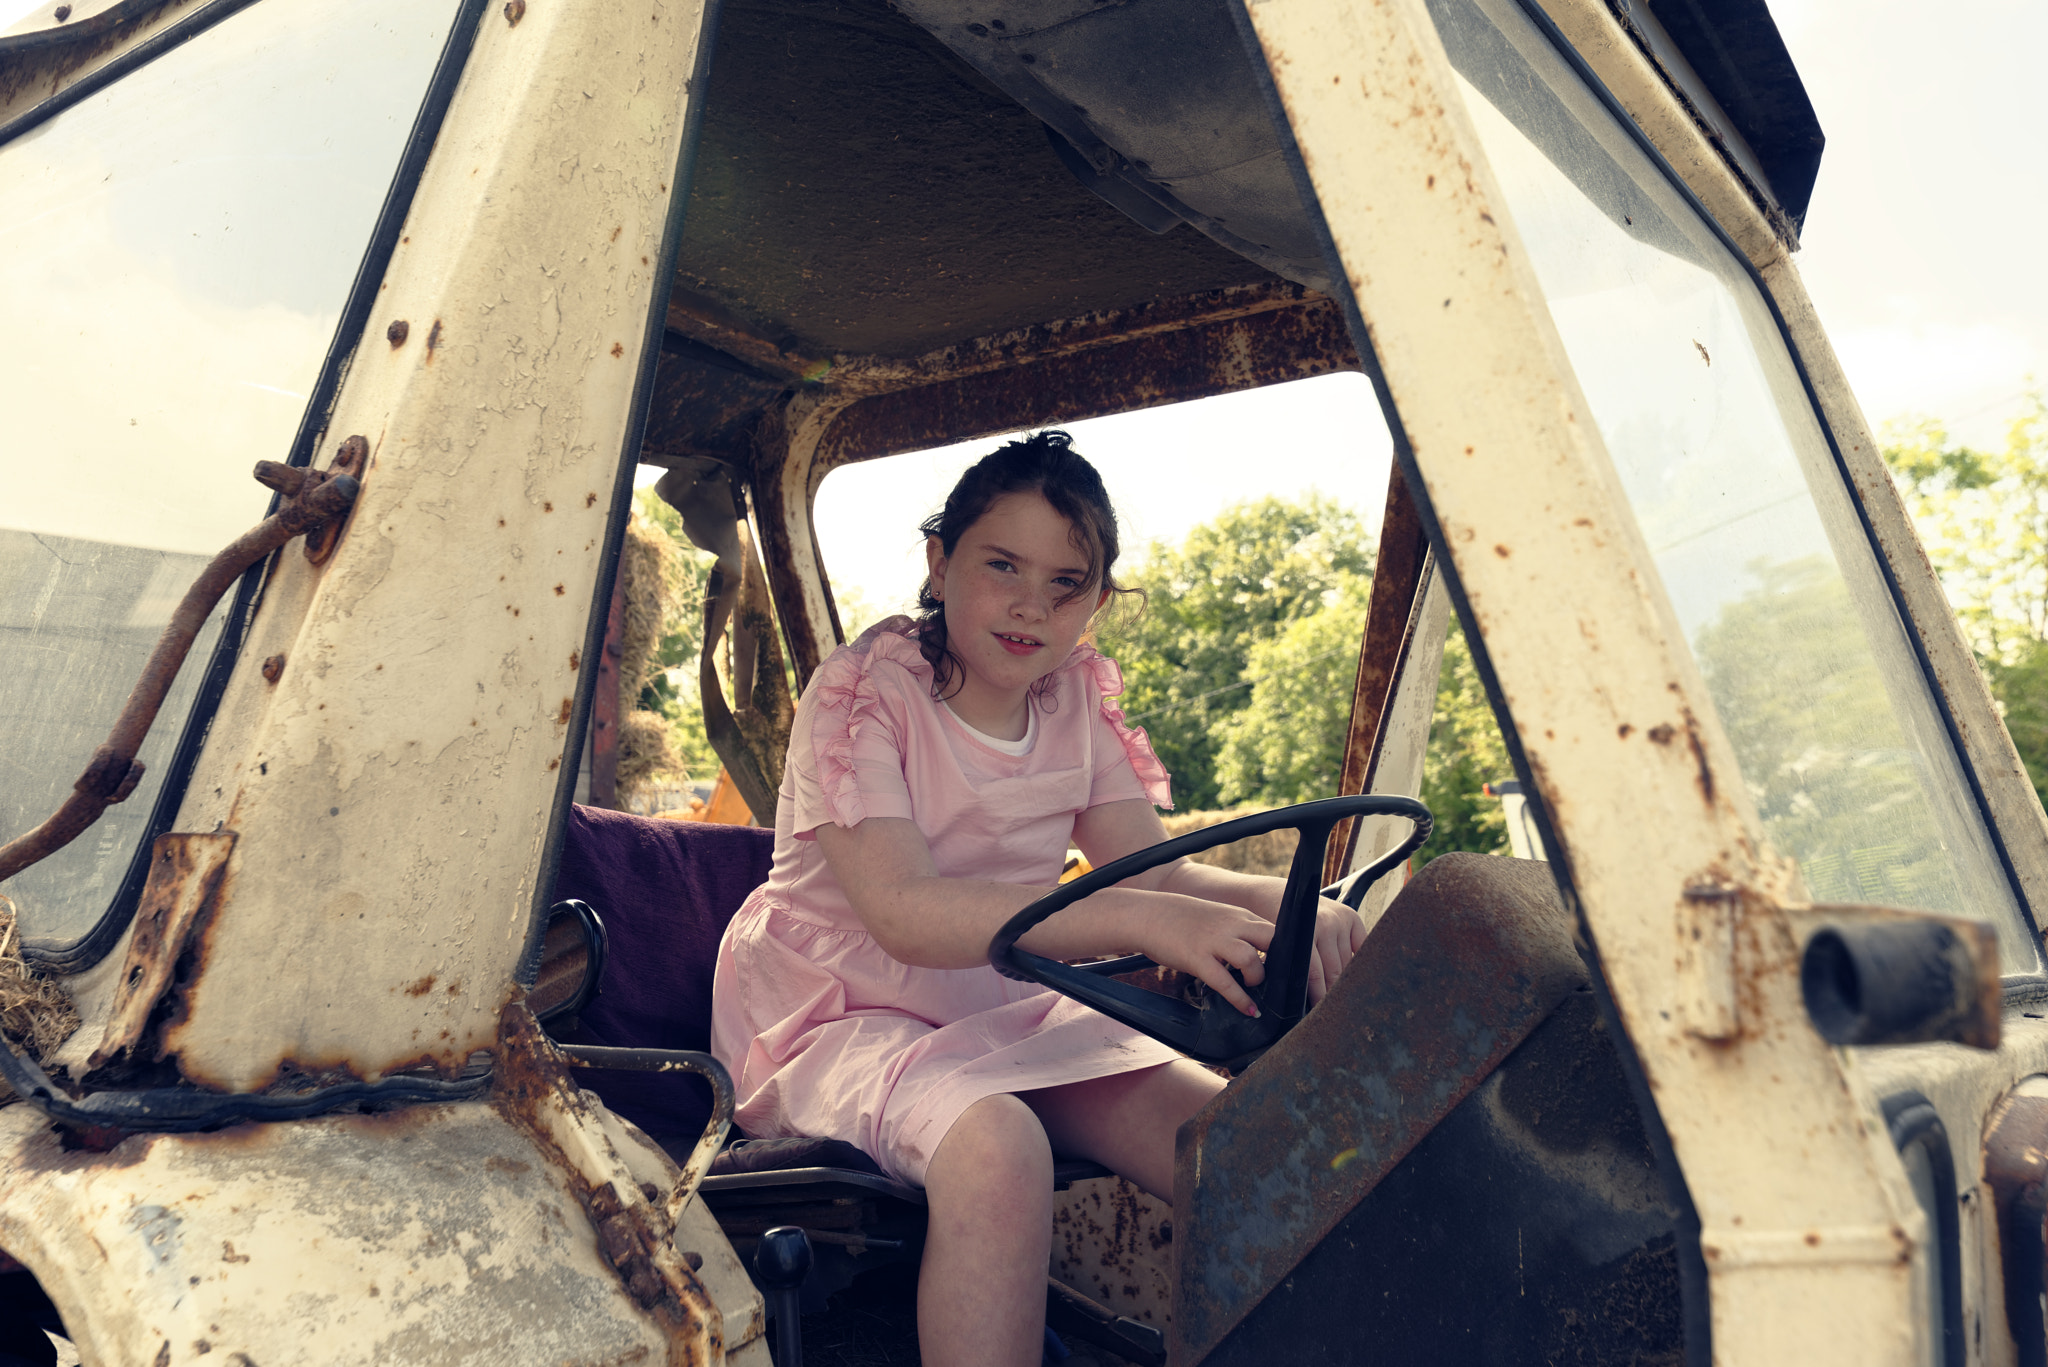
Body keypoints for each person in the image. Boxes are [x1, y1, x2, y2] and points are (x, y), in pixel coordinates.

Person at [708, 430, 1367, 1366]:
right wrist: (1140, 919)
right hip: (834, 1009)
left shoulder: (1072, 705)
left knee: (1230, 1143)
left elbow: (1154, 873)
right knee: (998, 1148)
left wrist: (1285, 898)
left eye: (1067, 581)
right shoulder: (864, 697)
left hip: (996, 993)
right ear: (939, 564)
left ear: (1097, 602)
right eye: (1002, 564)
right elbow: (906, 910)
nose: (1031, 602)